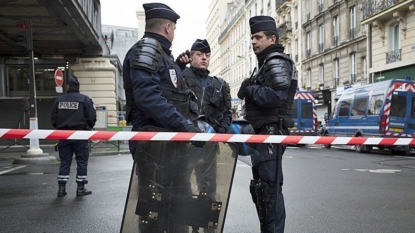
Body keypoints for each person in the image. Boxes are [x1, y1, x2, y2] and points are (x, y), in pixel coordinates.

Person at [122, 3, 209, 232]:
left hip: (169, 144)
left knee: (176, 207)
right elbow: (148, 97)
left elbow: (172, 94)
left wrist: (178, 67)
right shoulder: (148, 50)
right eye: (174, 29)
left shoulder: (162, 56)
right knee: (155, 207)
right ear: (168, 27)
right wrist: (185, 127)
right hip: (154, 145)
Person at [237, 16, 297, 233]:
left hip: (270, 135)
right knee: (262, 191)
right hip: (261, 135)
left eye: (258, 37)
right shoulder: (265, 63)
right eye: (252, 37)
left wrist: (250, 89)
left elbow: (276, 97)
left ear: (272, 38)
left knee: (269, 191)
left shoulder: (275, 61)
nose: (253, 41)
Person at [178, 39, 232, 200]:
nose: (204, 58)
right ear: (191, 57)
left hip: (209, 147)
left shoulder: (219, 84)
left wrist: (221, 130)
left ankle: (208, 223)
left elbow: (226, 112)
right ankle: (180, 223)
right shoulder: (181, 77)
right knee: (180, 187)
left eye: (207, 55)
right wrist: (178, 65)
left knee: (208, 189)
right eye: (199, 54)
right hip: (182, 145)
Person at [50, 75, 97, 197]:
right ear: (78, 87)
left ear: (67, 87)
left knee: (65, 161)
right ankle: (80, 188)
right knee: (81, 161)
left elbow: (53, 119)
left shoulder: (59, 100)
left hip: (63, 135)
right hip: (80, 135)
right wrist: (89, 127)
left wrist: (60, 127)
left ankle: (61, 189)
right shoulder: (85, 99)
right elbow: (92, 117)